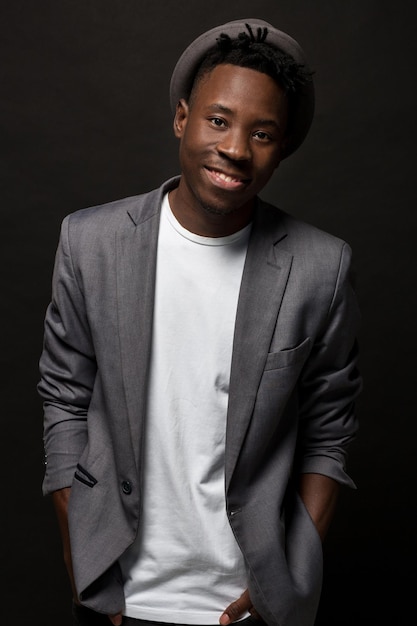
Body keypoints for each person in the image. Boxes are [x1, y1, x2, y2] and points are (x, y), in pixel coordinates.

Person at [38, 18, 362, 626]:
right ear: (182, 118)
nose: (236, 148)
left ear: (283, 146)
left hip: (248, 605)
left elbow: (329, 434)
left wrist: (290, 580)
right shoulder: (91, 243)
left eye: (262, 133)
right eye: (219, 120)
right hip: (119, 595)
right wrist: (81, 549)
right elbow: (64, 398)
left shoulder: (321, 266)